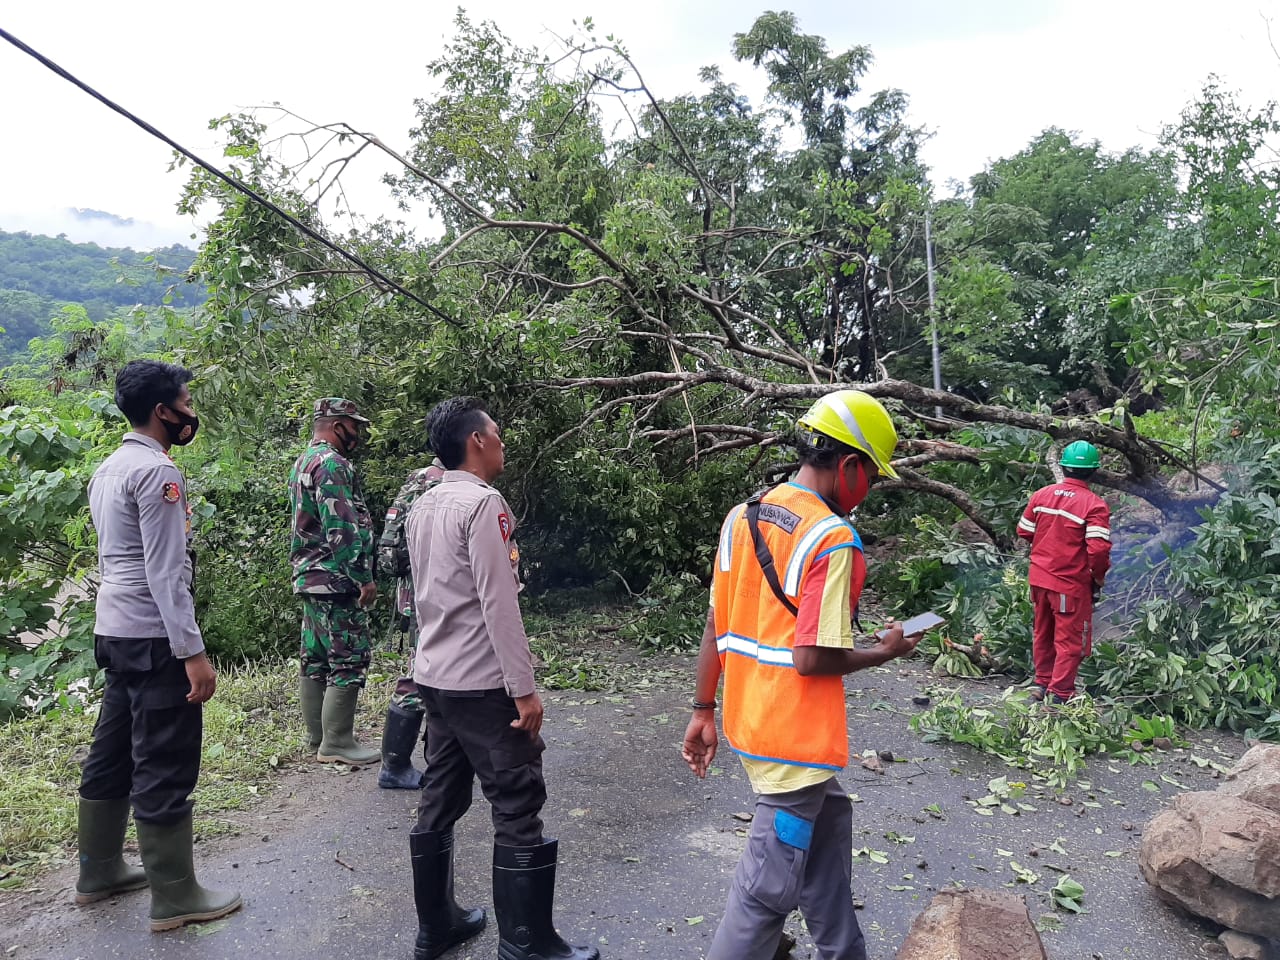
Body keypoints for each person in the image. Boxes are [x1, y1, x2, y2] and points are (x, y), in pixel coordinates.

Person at [681, 390, 922, 960]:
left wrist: (702, 710)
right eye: (872, 477)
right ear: (848, 466)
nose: (869, 491)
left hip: (752, 724)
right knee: (763, 894)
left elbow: (718, 622)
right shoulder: (831, 538)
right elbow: (811, 658)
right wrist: (886, 652)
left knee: (829, 823)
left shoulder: (744, 516)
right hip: (793, 744)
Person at [403, 397, 598, 960]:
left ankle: (436, 926)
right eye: (497, 433)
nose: (503, 442)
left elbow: (423, 599)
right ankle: (526, 942)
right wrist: (524, 688)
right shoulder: (484, 507)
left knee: (439, 796)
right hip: (483, 684)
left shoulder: (423, 506)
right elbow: (499, 603)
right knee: (516, 801)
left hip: (435, 676)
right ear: (476, 442)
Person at [77, 359, 241, 931]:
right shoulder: (157, 473)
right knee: (165, 757)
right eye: (186, 400)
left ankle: (98, 871)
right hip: (153, 637)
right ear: (161, 411)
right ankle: (174, 895)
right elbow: (166, 572)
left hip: (113, 631)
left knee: (114, 748)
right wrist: (191, 651)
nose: (191, 410)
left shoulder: (108, 468)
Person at [288, 397, 379, 764]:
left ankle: (318, 737)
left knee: (316, 656)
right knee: (349, 656)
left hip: (310, 576)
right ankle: (337, 741)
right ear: (338, 424)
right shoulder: (332, 464)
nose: (357, 433)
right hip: (335, 578)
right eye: (354, 425)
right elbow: (340, 526)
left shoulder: (303, 461)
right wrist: (362, 577)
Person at [1016, 440, 1112, 703]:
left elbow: (1024, 530)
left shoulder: (1041, 495)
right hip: (1069, 584)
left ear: (1063, 467)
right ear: (1094, 471)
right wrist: (1097, 577)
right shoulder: (1094, 506)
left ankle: (1041, 684)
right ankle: (1059, 694)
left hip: (1039, 578)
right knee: (1070, 641)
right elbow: (1098, 551)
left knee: (1042, 632)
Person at [375, 456, 446, 789]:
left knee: (429, 667)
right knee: (423, 673)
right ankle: (395, 766)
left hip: (411, 588)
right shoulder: (439, 486)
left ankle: (426, 761)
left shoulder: (417, 479)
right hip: (428, 589)